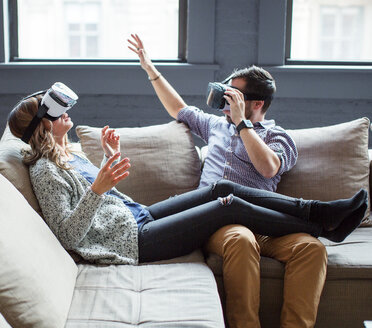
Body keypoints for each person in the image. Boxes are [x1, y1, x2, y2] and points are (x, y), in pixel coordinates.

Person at [127, 33, 368, 328]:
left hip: (270, 226)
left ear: (255, 103)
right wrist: (150, 69)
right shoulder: (216, 125)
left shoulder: (280, 138)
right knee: (240, 239)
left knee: (312, 248)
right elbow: (179, 108)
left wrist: (243, 124)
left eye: (232, 96)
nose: (223, 101)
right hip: (223, 222)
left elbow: (268, 168)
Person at [6, 91, 367, 270]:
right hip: (133, 241)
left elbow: (102, 196)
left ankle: (319, 212)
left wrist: (109, 158)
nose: (67, 114)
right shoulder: (44, 171)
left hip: (137, 216)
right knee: (228, 206)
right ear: (43, 124)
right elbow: (67, 234)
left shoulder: (67, 152)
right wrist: (98, 189)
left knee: (220, 188)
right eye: (58, 112)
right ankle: (322, 224)